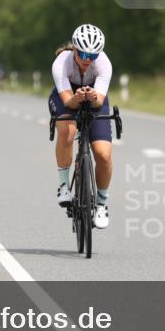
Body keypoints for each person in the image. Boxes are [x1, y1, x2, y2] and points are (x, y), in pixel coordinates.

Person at [49, 24, 113, 229]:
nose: (87, 59)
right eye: (82, 53)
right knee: (67, 130)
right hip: (67, 96)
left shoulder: (104, 64)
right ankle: (63, 186)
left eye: (92, 55)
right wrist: (77, 98)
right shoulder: (61, 63)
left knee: (103, 154)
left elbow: (99, 101)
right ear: (74, 49)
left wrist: (93, 98)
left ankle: (102, 204)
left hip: (94, 96)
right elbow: (68, 102)